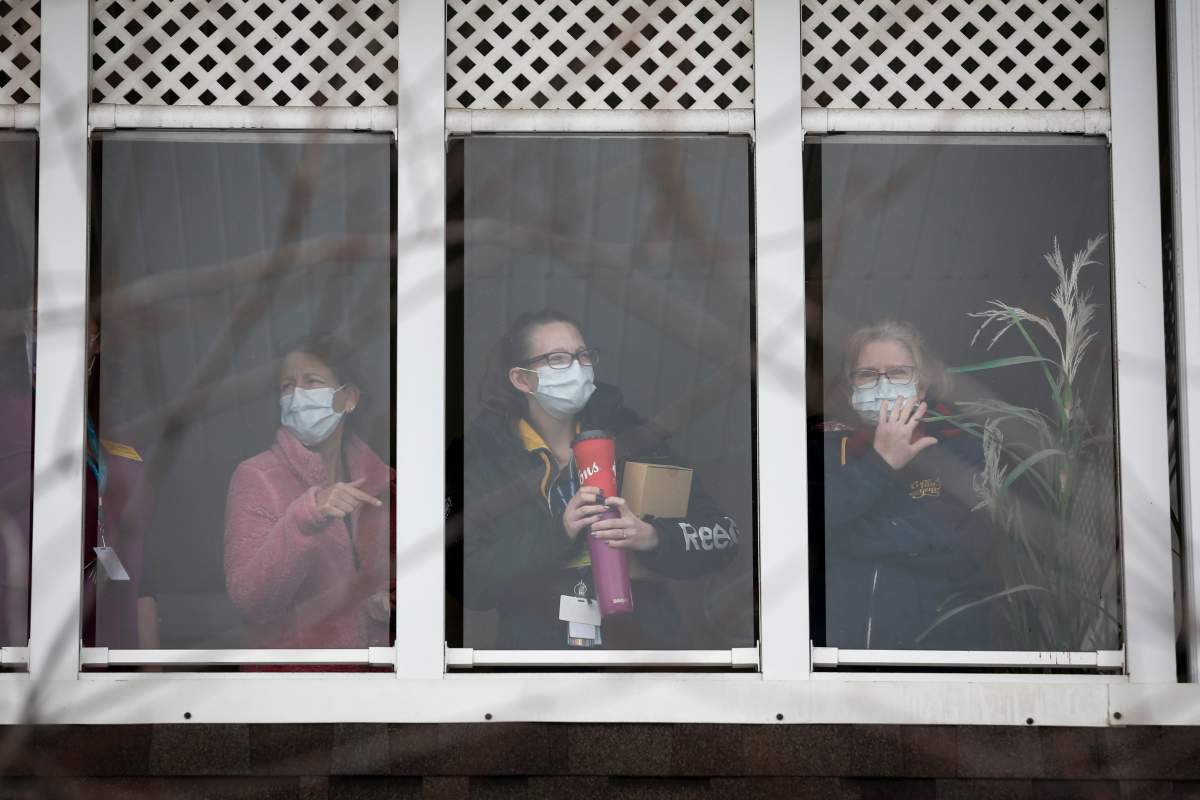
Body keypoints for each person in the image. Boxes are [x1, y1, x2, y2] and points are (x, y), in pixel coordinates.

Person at [452, 309, 740, 649]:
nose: (576, 367)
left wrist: (653, 536)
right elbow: (467, 580)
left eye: (582, 355)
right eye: (557, 359)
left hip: (642, 652)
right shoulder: (483, 458)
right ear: (522, 379)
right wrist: (561, 531)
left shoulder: (634, 437)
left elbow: (724, 536)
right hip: (536, 660)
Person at [811, 319, 994, 650]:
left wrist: (842, 537)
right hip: (839, 656)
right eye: (867, 375)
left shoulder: (961, 446)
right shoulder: (823, 447)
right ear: (851, 388)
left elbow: (957, 544)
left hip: (939, 655)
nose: (883, 385)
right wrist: (879, 462)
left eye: (898, 373)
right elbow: (809, 525)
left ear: (921, 386)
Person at [224, 334, 393, 649]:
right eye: (287, 386)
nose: (297, 396)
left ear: (350, 398)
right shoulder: (257, 477)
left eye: (311, 381)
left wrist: (390, 600)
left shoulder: (383, 482)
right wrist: (308, 515)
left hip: (376, 685)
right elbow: (250, 598)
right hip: (296, 684)